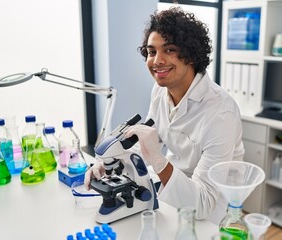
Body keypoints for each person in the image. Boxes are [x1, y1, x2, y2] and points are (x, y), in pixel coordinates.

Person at [85, 6, 244, 225]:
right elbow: (150, 139)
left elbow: (205, 202)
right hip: (173, 187)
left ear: (190, 54)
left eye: (169, 50)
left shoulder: (221, 113)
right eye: (151, 52)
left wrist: (158, 162)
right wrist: (110, 162)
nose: (157, 60)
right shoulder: (160, 91)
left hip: (212, 210)